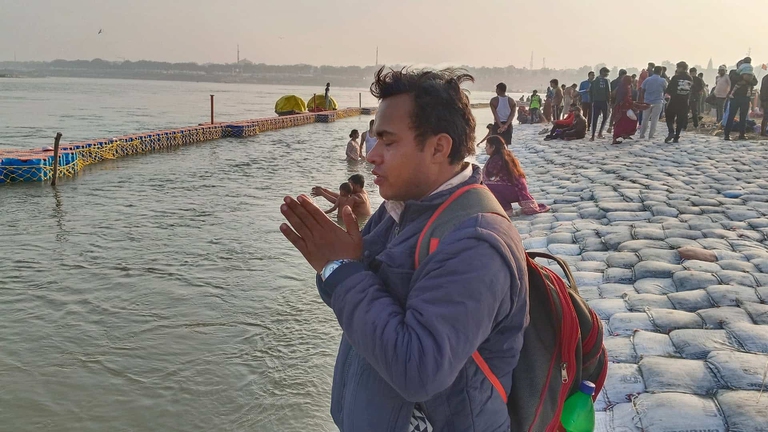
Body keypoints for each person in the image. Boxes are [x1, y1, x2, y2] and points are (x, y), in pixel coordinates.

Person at [280, 67, 529, 431]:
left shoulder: (476, 243)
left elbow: (419, 371)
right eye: (373, 140)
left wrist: (339, 267)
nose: (371, 156)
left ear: (438, 147)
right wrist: (331, 264)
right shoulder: (403, 207)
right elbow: (350, 285)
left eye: (388, 141)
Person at [482, 135, 550, 215]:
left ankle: (506, 209)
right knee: (486, 185)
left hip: (515, 191)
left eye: (487, 146)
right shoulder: (504, 155)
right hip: (516, 190)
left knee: (485, 187)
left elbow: (489, 176)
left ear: (493, 147)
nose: (485, 148)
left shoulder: (497, 159)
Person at [725, 58, 759, 140]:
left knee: (743, 117)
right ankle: (726, 134)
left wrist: (745, 81)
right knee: (731, 116)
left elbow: (755, 82)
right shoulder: (733, 72)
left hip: (745, 98)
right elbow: (733, 78)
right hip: (735, 97)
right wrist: (744, 78)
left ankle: (742, 134)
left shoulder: (751, 74)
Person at [664, 61, 693, 144]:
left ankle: (671, 132)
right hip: (684, 102)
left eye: (678, 67)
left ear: (681, 68)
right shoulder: (690, 78)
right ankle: (676, 137)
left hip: (674, 101)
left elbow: (669, 89)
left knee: (669, 117)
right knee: (680, 120)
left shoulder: (675, 78)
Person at [638, 65, 667, 140]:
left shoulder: (647, 79)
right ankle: (651, 135)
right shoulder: (662, 81)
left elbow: (642, 90)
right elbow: (666, 90)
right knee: (654, 119)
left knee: (645, 119)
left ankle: (642, 134)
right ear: (661, 72)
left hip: (647, 101)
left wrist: (642, 99)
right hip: (658, 101)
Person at [612, 75, 639, 144]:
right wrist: (632, 103)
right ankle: (619, 136)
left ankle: (624, 134)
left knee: (625, 122)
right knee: (623, 122)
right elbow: (625, 98)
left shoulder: (622, 87)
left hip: (623, 107)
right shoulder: (625, 88)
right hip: (623, 107)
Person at [589, 67, 611, 141]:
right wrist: (592, 101)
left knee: (605, 117)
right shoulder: (595, 82)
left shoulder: (606, 81)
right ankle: (593, 135)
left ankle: (599, 133)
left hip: (603, 101)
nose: (607, 74)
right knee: (595, 118)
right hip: (598, 101)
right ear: (602, 72)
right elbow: (591, 92)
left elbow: (608, 92)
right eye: (606, 73)